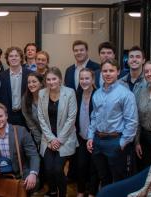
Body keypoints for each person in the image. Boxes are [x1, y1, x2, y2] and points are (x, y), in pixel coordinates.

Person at [87, 59, 138, 187]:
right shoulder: (97, 93)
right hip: (97, 141)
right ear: (101, 73)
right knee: (103, 178)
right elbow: (94, 117)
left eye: (111, 70)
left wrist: (123, 142)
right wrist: (90, 136)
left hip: (115, 141)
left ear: (118, 72)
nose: (108, 74)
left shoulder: (125, 94)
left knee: (119, 178)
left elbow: (132, 121)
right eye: (105, 71)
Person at [0, 103, 40, 195]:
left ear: (6, 116)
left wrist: (33, 173)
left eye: (0, 116)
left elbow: (33, 155)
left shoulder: (21, 131)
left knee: (35, 181)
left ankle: (22, 193)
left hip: (19, 172)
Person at [37, 67, 78, 197]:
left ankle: (62, 194)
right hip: (48, 138)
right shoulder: (42, 93)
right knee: (48, 169)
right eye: (48, 79)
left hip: (65, 138)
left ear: (60, 79)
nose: (51, 82)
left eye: (54, 79)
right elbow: (41, 118)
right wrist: (51, 139)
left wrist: (59, 140)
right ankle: (53, 191)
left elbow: (71, 118)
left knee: (57, 169)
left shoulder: (70, 93)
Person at [75, 68, 99, 197]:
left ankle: (92, 193)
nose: (84, 81)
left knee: (93, 167)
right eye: (81, 78)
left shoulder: (98, 94)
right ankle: (80, 191)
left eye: (87, 78)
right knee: (81, 166)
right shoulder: (77, 95)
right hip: (81, 137)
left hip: (95, 138)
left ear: (93, 80)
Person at [0, 46, 33, 127]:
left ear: (21, 58)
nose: (14, 58)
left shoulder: (29, 74)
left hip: (25, 115)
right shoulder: (1, 76)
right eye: (11, 56)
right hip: (7, 115)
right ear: (7, 59)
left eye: (16, 56)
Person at [21, 72, 45, 146]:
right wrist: (40, 140)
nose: (31, 85)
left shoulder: (47, 96)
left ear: (41, 83)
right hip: (39, 137)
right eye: (29, 82)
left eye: (34, 82)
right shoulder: (25, 99)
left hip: (54, 135)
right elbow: (30, 122)